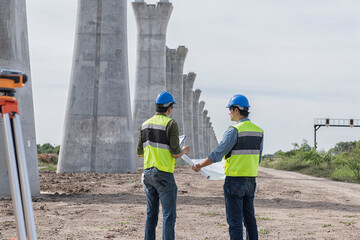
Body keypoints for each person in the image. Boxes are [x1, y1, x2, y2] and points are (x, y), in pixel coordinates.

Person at [192, 94, 263, 240]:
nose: (228, 113)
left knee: (235, 221)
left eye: (230, 110)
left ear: (236, 110)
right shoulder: (258, 131)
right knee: (250, 220)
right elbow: (258, 158)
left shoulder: (234, 130)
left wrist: (200, 165)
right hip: (250, 181)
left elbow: (218, 154)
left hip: (235, 181)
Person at [137, 91, 190, 240]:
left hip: (148, 174)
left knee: (151, 215)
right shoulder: (171, 124)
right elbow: (175, 153)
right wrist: (184, 149)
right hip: (164, 175)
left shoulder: (144, 125)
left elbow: (139, 152)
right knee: (168, 215)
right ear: (169, 108)